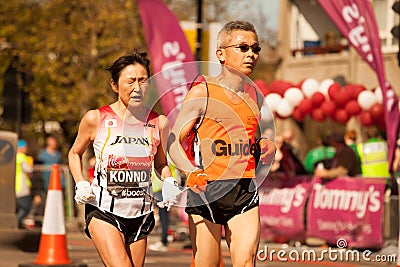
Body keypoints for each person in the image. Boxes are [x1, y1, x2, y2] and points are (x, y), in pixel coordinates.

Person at [168, 20, 276, 266]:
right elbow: (174, 141)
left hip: (244, 190)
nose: (251, 54)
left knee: (246, 263)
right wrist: (190, 171)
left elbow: (246, 136)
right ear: (221, 54)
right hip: (207, 190)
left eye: (255, 49)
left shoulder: (255, 95)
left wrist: (264, 143)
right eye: (243, 47)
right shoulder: (203, 90)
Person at [68, 53, 181, 267]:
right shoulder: (96, 118)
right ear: (114, 85)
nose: (138, 87)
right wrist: (81, 182)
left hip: (141, 212)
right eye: (130, 81)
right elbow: (74, 153)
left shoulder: (159, 122)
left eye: (143, 80)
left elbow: (161, 163)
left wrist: (169, 181)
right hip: (104, 210)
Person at [15, 139, 33, 228]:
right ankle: (17, 222)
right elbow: (28, 169)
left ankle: (16, 222)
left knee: (16, 207)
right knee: (26, 207)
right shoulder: (22, 157)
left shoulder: (12, 157)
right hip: (22, 186)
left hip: (14, 186)